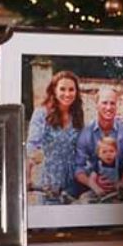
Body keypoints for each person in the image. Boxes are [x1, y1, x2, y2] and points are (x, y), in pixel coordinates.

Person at [26, 70, 85, 202]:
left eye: (71, 89)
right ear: (54, 90)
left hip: (73, 181)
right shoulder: (42, 113)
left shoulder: (77, 115)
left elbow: (82, 149)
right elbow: (32, 145)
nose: (67, 94)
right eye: (62, 89)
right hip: (49, 181)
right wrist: (27, 175)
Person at [76, 86, 123, 199]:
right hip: (92, 182)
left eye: (112, 103)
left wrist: (122, 183)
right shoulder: (86, 132)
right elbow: (78, 167)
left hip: (121, 182)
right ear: (96, 105)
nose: (109, 107)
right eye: (104, 103)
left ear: (117, 105)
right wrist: (93, 184)